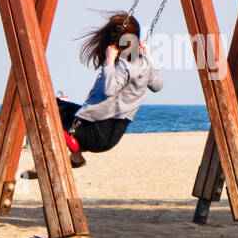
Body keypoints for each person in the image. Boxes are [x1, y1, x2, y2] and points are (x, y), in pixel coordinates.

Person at [54, 12, 163, 168]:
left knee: (48, 108)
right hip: (106, 134)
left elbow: (109, 89)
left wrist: (110, 60)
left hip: (98, 134)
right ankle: (76, 154)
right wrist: (147, 55)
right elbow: (157, 85)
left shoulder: (123, 66)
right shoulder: (141, 64)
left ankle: (70, 154)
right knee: (55, 106)